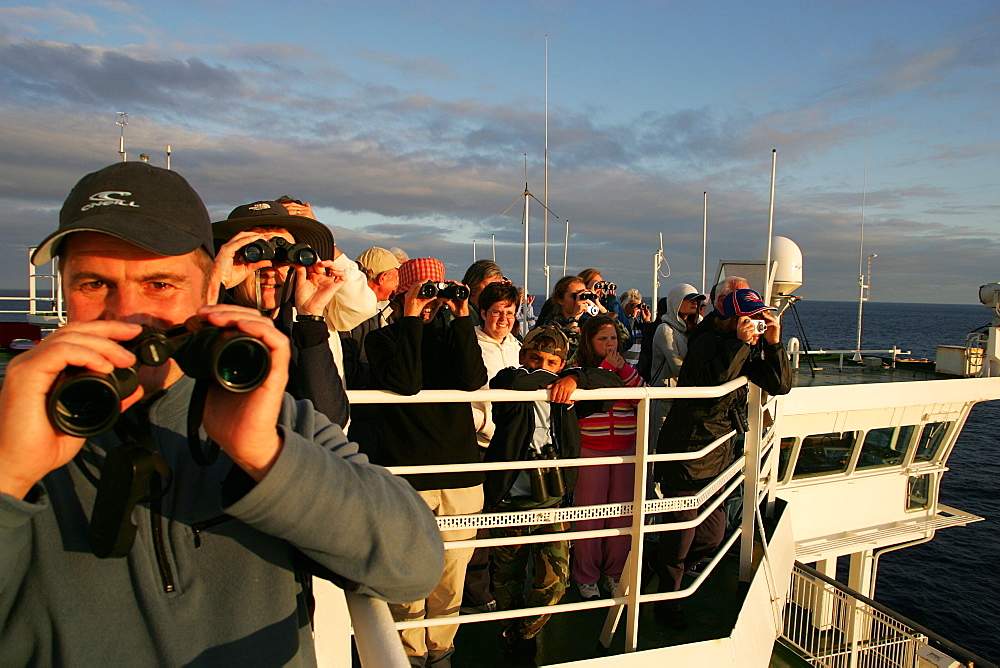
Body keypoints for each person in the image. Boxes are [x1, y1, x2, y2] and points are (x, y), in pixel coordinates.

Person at [0, 162, 443, 665]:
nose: (125, 314)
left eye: (160, 285)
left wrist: (263, 454)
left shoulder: (274, 419)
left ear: (201, 289)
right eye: (94, 284)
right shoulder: (15, 426)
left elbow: (415, 564)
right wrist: (9, 475)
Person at [365, 257, 488, 667]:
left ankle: (440, 651)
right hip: (407, 474)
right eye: (422, 292)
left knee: (451, 577)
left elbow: (472, 379)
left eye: (437, 292)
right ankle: (409, 654)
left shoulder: (452, 334)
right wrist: (412, 318)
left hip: (458, 474)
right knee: (408, 574)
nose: (432, 301)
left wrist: (462, 314)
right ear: (401, 296)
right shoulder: (381, 340)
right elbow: (406, 382)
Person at [652, 287, 791, 627]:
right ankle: (667, 601)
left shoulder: (747, 345)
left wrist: (772, 343)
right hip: (688, 450)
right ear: (731, 320)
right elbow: (715, 379)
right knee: (681, 532)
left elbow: (780, 384)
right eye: (751, 318)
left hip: (717, 451)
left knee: (712, 535)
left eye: (760, 318)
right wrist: (742, 344)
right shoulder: (706, 340)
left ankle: (662, 564)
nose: (757, 324)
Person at [484, 326, 623, 663]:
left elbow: (614, 385)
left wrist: (574, 381)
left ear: (561, 364)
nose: (541, 366)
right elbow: (507, 382)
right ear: (523, 358)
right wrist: (553, 382)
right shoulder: (512, 384)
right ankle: (514, 640)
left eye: (550, 361)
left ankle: (523, 635)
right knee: (507, 585)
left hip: (552, 505)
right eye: (534, 359)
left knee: (554, 585)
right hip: (509, 503)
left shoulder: (568, 400)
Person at [212, 201, 350, 427]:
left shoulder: (298, 327)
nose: (269, 269)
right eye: (254, 254)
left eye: (284, 256)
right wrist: (217, 283)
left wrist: (310, 316)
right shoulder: (207, 321)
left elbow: (330, 419)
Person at [570, 315, 645, 600]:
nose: (609, 344)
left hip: (626, 450)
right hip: (591, 449)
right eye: (602, 339)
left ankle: (615, 573)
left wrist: (622, 369)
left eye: (613, 338)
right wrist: (606, 369)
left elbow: (642, 397)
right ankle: (586, 577)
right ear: (590, 341)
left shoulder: (629, 369)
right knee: (589, 517)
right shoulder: (578, 370)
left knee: (621, 516)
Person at [461, 281, 522, 616]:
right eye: (497, 311)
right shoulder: (470, 343)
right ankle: (476, 592)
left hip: (512, 445)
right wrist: (483, 423)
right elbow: (459, 390)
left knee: (506, 517)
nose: (504, 318)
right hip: (481, 444)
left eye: (509, 312)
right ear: (482, 312)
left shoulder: (517, 346)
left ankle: (502, 583)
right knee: (479, 521)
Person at [273, 195, 378, 389]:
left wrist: (319, 237)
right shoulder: (252, 288)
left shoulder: (320, 292)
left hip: (323, 409)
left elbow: (363, 306)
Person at [339, 246, 401, 458]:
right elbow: (351, 367)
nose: (397, 286)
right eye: (395, 278)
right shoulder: (353, 315)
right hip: (360, 414)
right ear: (383, 278)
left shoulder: (376, 312)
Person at [647, 283, 706, 448]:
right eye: (689, 299)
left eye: (697, 299)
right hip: (665, 399)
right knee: (658, 447)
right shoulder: (665, 330)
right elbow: (678, 367)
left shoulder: (696, 328)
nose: (695, 303)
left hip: (685, 399)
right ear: (675, 302)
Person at [538, 275, 599, 361]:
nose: (579, 300)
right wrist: (574, 319)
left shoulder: (587, 323)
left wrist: (598, 305)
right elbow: (564, 354)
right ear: (560, 300)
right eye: (575, 296)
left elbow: (622, 340)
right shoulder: (552, 324)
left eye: (583, 295)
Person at [461, 259, 506, 328]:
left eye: (498, 286)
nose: (495, 291)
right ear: (473, 288)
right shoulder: (459, 313)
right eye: (489, 287)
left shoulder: (498, 314)